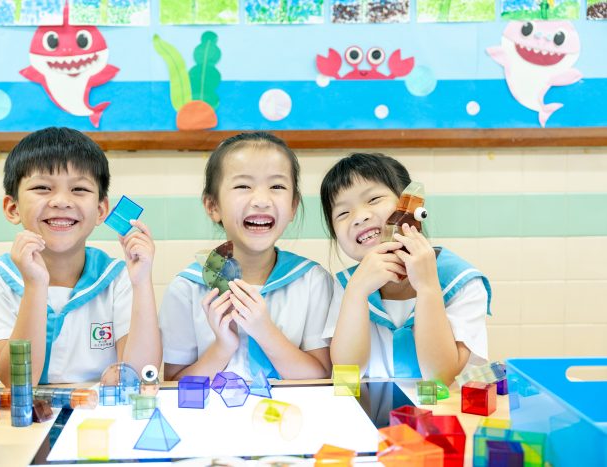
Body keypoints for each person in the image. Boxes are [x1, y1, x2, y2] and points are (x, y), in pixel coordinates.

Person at [0, 127, 161, 385]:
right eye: (42, 187)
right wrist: (35, 286)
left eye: (79, 189)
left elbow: (141, 373)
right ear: (13, 208)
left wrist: (142, 282)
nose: (61, 201)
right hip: (22, 409)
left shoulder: (118, 277)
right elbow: (17, 382)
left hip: (95, 407)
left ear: (101, 210)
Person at [160, 132, 333, 381]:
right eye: (243, 186)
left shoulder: (313, 281)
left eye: (277, 186)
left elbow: (321, 377)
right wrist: (223, 347)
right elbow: (174, 384)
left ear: (293, 206)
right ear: (213, 206)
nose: (261, 201)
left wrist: (264, 331)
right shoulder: (186, 288)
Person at [320, 153, 491, 384]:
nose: (359, 217)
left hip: (442, 407)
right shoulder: (347, 285)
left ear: (411, 205)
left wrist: (428, 287)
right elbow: (347, 372)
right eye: (342, 213)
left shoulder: (461, 281)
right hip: (371, 406)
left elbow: (441, 377)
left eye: (373, 199)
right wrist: (356, 292)